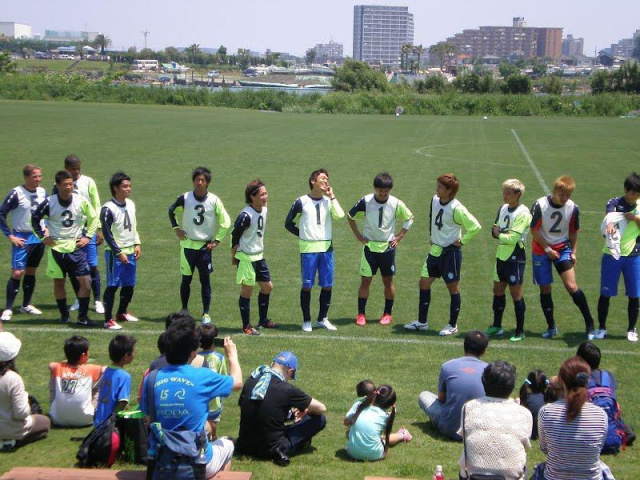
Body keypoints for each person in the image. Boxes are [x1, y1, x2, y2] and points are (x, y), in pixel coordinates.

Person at [140, 316, 242, 478]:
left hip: (161, 461)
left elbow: (147, 418)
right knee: (228, 445)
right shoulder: (202, 376)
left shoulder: (151, 378)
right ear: (193, 353)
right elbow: (237, 383)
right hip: (195, 461)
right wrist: (232, 357)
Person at [405, 174, 481, 336]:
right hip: (435, 251)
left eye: (440, 187)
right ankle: (422, 322)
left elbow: (475, 226)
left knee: (452, 288)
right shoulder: (434, 200)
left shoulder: (457, 208)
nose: (437, 189)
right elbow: (432, 218)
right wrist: (433, 236)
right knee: (424, 283)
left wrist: (462, 241)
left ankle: (452, 325)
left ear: (449, 191)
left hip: (450, 254)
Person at [530, 176, 596, 339]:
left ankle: (590, 323)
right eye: (562, 194)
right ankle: (551, 327)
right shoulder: (540, 205)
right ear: (554, 191)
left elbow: (573, 231)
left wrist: (573, 252)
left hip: (562, 248)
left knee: (571, 286)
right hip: (541, 249)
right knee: (545, 288)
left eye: (568, 195)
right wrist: (547, 249)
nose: (565, 198)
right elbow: (534, 230)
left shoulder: (573, 208)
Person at [31, 170, 100, 326]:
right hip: (56, 248)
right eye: (65, 185)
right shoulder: (49, 202)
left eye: (70, 184)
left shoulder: (81, 200)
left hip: (75, 247)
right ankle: (64, 314)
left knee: (86, 281)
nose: (68, 187)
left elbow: (94, 218)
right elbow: (34, 219)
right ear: (57, 185)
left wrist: (88, 236)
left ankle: (82, 317)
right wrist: (43, 237)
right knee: (59, 282)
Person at [236, 351, 327, 466]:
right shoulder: (287, 389)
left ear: (272, 364)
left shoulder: (251, 380)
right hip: (271, 448)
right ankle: (293, 446)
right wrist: (306, 410)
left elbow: (256, 408)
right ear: (290, 371)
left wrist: (289, 414)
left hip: (245, 444)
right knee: (320, 419)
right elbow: (321, 408)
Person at [347, 172, 414, 326]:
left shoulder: (396, 203)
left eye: (386, 192)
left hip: (387, 248)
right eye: (380, 191)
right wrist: (358, 235)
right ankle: (361, 314)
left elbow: (410, 218)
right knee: (365, 281)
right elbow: (350, 216)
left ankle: (387, 314)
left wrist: (399, 236)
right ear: (374, 188)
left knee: (388, 281)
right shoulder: (366, 201)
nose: (383, 194)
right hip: (369, 248)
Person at [168, 167, 231, 324]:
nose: (199, 183)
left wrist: (217, 241)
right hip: (187, 246)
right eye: (197, 180)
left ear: (207, 183)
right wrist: (176, 228)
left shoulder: (214, 200)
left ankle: (206, 313)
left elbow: (226, 222)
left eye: (203, 180)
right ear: (193, 181)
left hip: (204, 248)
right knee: (186, 280)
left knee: (205, 281)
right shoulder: (185, 198)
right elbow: (171, 211)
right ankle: (184, 309)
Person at [285, 169, 345, 332]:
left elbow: (340, 216)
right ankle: (306, 321)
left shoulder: (328, 201)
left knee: (327, 285)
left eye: (327, 179)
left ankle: (322, 319)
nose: (325, 181)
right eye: (322, 178)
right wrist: (303, 234)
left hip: (326, 249)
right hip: (309, 250)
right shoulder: (301, 201)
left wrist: (332, 196)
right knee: (307, 286)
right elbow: (288, 223)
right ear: (313, 181)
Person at [538, 356, 609, 480]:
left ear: (561, 381)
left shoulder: (546, 412)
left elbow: (544, 448)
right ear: (587, 380)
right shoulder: (601, 415)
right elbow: (598, 448)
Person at [458, 361, 531, 480]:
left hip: (471, 476)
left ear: (483, 381)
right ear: (512, 386)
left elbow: (467, 439)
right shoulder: (524, 413)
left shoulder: (468, 407)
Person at [483, 179, 532, 341]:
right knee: (497, 290)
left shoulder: (523, 213)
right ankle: (497, 326)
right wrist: (501, 233)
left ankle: (520, 331)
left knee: (516, 294)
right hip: (501, 255)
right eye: (504, 191)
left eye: (508, 192)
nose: (504, 195)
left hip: (515, 257)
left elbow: (513, 238)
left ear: (517, 194)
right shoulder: (503, 208)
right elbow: (494, 229)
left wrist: (500, 233)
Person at [418, 330, 488, 441]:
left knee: (424, 395)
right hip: (477, 430)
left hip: (449, 428)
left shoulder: (448, 366)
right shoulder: (489, 370)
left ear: (464, 345)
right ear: (484, 351)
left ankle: (438, 421)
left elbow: (441, 399)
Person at [0, 165, 47, 323]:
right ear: (26, 177)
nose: (38, 179)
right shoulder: (16, 193)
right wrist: (10, 236)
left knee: (31, 270)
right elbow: (1, 213)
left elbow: (47, 211)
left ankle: (26, 305)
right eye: (35, 176)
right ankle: (8, 308)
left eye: (40, 176)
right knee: (18, 272)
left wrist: (46, 227)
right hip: (22, 236)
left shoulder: (42, 192)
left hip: (38, 236)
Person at [597, 172, 640, 342]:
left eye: (637, 194)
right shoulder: (614, 203)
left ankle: (631, 329)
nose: (634, 196)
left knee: (634, 294)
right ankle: (602, 328)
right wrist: (610, 225)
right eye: (632, 192)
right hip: (611, 255)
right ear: (626, 189)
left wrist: (635, 218)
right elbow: (609, 217)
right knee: (605, 293)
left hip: (633, 256)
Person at [60, 155, 104, 315]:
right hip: (70, 233)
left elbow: (96, 205)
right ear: (66, 169)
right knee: (74, 268)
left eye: (78, 168)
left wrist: (98, 228)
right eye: (73, 169)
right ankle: (79, 298)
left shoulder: (88, 182)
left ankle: (97, 300)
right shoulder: (59, 184)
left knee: (92, 265)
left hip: (88, 230)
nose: (76, 171)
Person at [231, 179, 276, 335]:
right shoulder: (245, 216)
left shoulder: (263, 208)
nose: (265, 197)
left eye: (266, 193)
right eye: (262, 194)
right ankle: (246, 326)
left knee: (267, 287)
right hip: (247, 258)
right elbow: (234, 236)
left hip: (259, 256)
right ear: (252, 196)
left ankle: (263, 320)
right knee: (247, 292)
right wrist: (233, 256)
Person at [100, 172, 141, 330]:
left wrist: (137, 243)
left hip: (130, 250)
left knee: (129, 284)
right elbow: (107, 234)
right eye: (125, 186)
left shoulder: (130, 204)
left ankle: (122, 312)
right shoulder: (108, 209)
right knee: (113, 285)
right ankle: (108, 320)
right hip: (115, 253)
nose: (128, 189)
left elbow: (133, 226)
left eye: (129, 186)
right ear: (115, 188)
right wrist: (118, 252)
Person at [0, 331, 51, 450]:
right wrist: (26, 399)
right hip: (12, 428)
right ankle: (10, 441)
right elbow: (21, 413)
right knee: (45, 422)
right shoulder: (13, 378)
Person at [345, 384, 412, 461]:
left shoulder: (359, 405)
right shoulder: (384, 416)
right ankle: (403, 435)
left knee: (350, 431)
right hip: (375, 455)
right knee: (382, 439)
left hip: (352, 454)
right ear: (389, 405)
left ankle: (357, 446)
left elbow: (347, 420)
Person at [48, 335, 104, 427]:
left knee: (54, 375)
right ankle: (93, 410)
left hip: (57, 419)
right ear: (83, 355)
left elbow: (51, 365)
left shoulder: (58, 367)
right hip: (85, 419)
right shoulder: (91, 369)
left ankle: (56, 406)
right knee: (101, 379)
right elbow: (105, 369)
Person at [94, 334, 136, 426]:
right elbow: (122, 402)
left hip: (98, 422)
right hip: (111, 425)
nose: (135, 353)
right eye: (133, 351)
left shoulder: (107, 370)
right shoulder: (125, 376)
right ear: (126, 356)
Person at [197, 323, 228, 440]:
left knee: (201, 426)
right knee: (212, 426)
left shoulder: (195, 357)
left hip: (199, 402)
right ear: (215, 340)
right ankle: (213, 439)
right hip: (214, 403)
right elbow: (223, 377)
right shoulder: (219, 358)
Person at [518, 370, 553, 440]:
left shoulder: (526, 398)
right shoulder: (550, 399)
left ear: (529, 384)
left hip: (530, 431)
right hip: (546, 432)